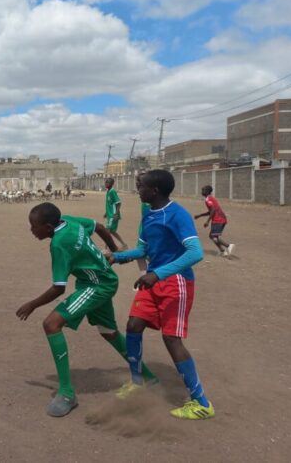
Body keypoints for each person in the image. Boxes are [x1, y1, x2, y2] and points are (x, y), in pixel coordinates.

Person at [16, 202, 156, 417]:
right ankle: (148, 377)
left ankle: (66, 393)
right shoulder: (68, 221)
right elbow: (99, 226)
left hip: (96, 286)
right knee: (108, 332)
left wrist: (32, 304)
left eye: (34, 226)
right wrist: (113, 250)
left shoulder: (59, 244)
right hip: (102, 280)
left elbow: (58, 288)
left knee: (51, 324)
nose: (31, 230)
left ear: (48, 227)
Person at [106, 169, 214, 420]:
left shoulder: (177, 214)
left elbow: (195, 253)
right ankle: (137, 382)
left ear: (154, 190)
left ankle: (201, 403)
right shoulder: (149, 215)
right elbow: (143, 250)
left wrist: (158, 274)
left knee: (171, 339)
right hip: (153, 280)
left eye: (141, 186)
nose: (138, 190)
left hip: (176, 282)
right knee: (133, 325)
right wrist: (116, 257)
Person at [194, 185, 234, 257]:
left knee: (214, 237)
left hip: (218, 220)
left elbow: (213, 210)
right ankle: (222, 251)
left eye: (203, 190)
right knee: (212, 236)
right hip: (220, 219)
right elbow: (211, 211)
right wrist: (200, 215)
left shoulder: (208, 199)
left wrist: (207, 221)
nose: (202, 192)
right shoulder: (210, 198)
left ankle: (228, 246)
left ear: (207, 191)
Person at [104, 178, 127, 249]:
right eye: (105, 182)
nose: (106, 184)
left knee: (107, 232)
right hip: (110, 214)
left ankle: (106, 248)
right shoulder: (108, 191)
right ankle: (124, 244)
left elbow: (118, 203)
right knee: (112, 231)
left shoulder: (112, 192)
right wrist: (106, 212)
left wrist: (116, 214)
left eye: (107, 182)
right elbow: (110, 204)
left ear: (112, 184)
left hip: (113, 215)